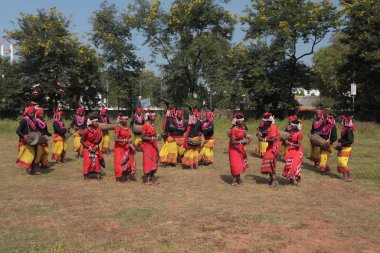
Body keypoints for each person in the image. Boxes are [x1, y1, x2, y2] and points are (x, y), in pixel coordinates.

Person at [259, 112, 281, 186]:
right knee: (270, 162)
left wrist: (262, 139)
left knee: (269, 161)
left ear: (269, 121)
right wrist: (261, 135)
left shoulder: (272, 127)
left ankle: (274, 180)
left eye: (265, 122)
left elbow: (273, 139)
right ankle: (272, 179)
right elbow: (266, 135)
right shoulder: (269, 126)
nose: (264, 123)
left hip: (275, 146)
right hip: (271, 146)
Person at [228, 113, 251, 185]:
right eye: (242, 121)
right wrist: (241, 141)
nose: (243, 122)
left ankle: (238, 178)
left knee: (240, 164)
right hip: (233, 149)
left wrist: (249, 138)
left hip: (240, 148)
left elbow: (245, 136)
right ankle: (234, 180)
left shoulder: (242, 128)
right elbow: (233, 141)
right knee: (234, 164)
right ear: (238, 122)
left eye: (243, 121)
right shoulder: (234, 130)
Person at [114, 114, 136, 183]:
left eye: (127, 119)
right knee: (119, 163)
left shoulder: (127, 127)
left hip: (126, 148)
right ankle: (118, 178)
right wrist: (124, 140)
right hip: (119, 148)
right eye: (125, 119)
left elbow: (129, 137)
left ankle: (126, 177)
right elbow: (115, 139)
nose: (126, 120)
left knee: (128, 162)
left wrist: (130, 140)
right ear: (121, 120)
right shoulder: (118, 128)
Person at [16, 106, 37, 175]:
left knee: (35, 155)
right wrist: (23, 136)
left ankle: (32, 169)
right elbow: (18, 131)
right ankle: (26, 171)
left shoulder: (33, 121)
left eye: (33, 113)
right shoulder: (24, 120)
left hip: (33, 141)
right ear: (27, 113)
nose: (33, 114)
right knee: (29, 156)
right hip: (26, 141)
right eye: (31, 113)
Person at [282, 119, 303, 186]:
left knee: (294, 166)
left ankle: (298, 180)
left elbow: (299, 145)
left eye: (293, 125)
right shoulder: (292, 132)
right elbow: (288, 140)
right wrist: (285, 141)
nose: (291, 126)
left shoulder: (299, 134)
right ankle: (291, 182)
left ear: (296, 126)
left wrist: (290, 143)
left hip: (297, 151)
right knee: (288, 165)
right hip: (291, 150)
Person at [141, 111, 160, 185]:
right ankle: (148, 179)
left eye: (155, 116)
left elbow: (154, 135)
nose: (155, 117)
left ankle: (152, 177)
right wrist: (152, 138)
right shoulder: (145, 125)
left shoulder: (154, 125)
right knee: (148, 161)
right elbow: (142, 137)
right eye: (153, 116)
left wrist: (157, 137)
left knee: (154, 161)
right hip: (147, 146)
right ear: (149, 117)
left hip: (153, 145)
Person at [336, 115, 354, 181]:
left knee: (343, 162)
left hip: (346, 148)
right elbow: (344, 138)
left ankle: (349, 176)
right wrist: (339, 140)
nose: (341, 122)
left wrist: (342, 143)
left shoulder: (349, 130)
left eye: (343, 121)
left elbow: (350, 141)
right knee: (339, 161)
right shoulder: (344, 129)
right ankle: (344, 175)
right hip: (342, 147)